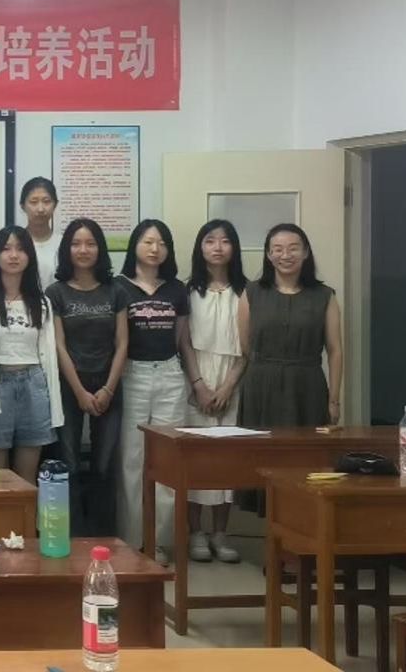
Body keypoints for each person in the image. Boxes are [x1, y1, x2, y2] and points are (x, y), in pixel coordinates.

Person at [46, 218, 128, 538]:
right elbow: (58, 346)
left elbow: (123, 343)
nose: (83, 250)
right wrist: (79, 391)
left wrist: (108, 388)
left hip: (109, 385)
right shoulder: (55, 292)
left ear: (100, 249)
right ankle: (72, 537)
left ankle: (104, 536)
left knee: (104, 464)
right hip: (69, 387)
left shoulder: (115, 290)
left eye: (90, 243)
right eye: (76, 243)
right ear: (67, 249)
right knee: (67, 462)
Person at [115, 219, 191, 556]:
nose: (155, 248)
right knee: (132, 460)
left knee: (166, 460)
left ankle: (158, 542)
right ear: (135, 245)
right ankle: (133, 541)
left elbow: (181, 338)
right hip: (133, 374)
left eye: (161, 243)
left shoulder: (176, 289)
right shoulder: (119, 287)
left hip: (170, 374)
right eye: (148, 241)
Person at [182, 219, 248, 563]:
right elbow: (184, 342)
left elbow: (248, 348)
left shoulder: (247, 291)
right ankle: (195, 532)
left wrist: (227, 387)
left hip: (233, 379)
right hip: (196, 379)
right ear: (200, 247)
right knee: (196, 460)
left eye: (225, 241)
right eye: (210, 240)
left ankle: (221, 534)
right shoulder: (188, 291)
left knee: (227, 462)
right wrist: (199, 385)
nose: (218, 247)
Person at [239, 223, 344, 430]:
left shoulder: (325, 295)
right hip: (260, 385)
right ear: (269, 255)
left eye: (293, 248)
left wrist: (334, 401)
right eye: (278, 249)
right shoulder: (251, 292)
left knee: (308, 448)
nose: (285, 255)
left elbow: (335, 351)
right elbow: (245, 345)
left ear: (306, 252)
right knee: (257, 447)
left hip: (308, 385)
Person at [0, 226, 63, 484]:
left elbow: (49, 355)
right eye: (6, 249)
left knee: (28, 473)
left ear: (30, 255)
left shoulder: (41, 302)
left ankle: (26, 513)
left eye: (20, 249)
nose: (13, 255)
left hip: (34, 382)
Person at [19, 177, 61, 284]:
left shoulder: (64, 244)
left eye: (46, 202)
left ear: (55, 205)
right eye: (33, 202)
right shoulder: (14, 244)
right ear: (23, 206)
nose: (40, 209)